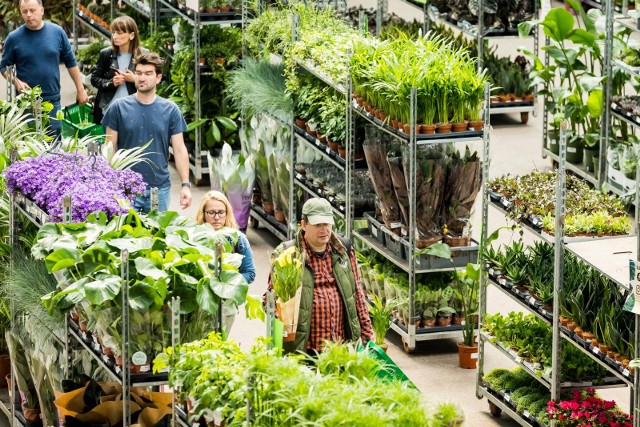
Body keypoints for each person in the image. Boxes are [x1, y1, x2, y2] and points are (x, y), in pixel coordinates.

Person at [268, 198, 373, 354]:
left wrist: (367, 334)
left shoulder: (344, 251)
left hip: (340, 348)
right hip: (304, 349)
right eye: (317, 225)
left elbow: (357, 294)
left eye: (327, 224)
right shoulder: (287, 254)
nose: (324, 230)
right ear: (303, 225)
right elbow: (269, 300)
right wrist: (281, 319)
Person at [102, 52, 192, 213]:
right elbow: (109, 148)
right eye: (138, 73)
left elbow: (179, 150)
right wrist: (108, 185)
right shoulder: (118, 108)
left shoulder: (170, 110)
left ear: (158, 78)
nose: (142, 78)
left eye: (148, 74)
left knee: (157, 235)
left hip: (158, 188)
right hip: (126, 189)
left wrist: (185, 185)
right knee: (125, 235)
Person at [0, 0, 89, 136]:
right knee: (29, 147)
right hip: (26, 102)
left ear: (41, 10)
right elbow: (3, 68)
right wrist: (16, 82)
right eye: (25, 12)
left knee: (54, 148)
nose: (28, 15)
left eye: (32, 10)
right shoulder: (14, 38)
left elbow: (71, 63)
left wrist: (80, 90)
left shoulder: (57, 33)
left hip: (52, 101)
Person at [196, 190, 256, 335]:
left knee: (220, 343)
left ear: (227, 213)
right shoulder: (194, 237)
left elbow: (250, 273)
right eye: (211, 213)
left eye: (221, 212)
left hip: (227, 303)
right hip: (202, 302)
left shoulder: (238, 239)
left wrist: (227, 284)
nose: (217, 217)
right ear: (203, 214)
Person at [90, 15, 143, 125]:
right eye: (113, 32)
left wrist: (135, 79)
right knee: (110, 142)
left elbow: (154, 81)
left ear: (132, 35)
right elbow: (94, 79)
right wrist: (111, 82)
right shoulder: (106, 54)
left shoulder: (143, 55)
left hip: (134, 109)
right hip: (109, 110)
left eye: (119, 33)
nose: (115, 36)